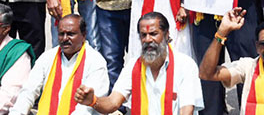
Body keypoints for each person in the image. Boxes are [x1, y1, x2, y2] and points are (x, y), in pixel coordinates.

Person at [73, 12, 204, 114]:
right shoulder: (133, 65)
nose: (148, 40)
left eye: (153, 34)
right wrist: (93, 101)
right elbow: (112, 102)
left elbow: (186, 111)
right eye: (143, 35)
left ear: (166, 35)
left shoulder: (185, 65)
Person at [8, 14, 109, 115]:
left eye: (70, 34)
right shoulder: (48, 57)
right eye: (61, 34)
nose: (65, 38)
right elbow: (28, 92)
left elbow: (85, 109)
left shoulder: (95, 61)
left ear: (84, 35)